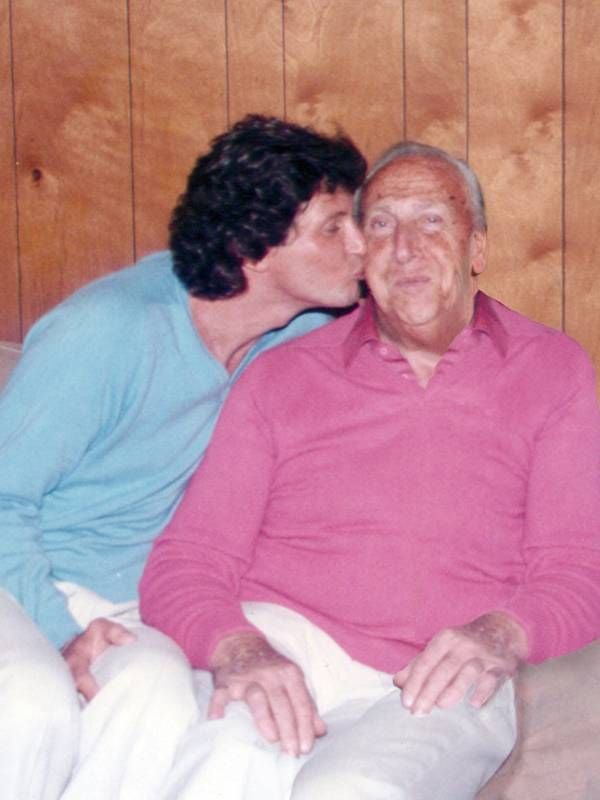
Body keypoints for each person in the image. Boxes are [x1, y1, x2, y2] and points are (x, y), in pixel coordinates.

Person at [140, 140, 600, 799]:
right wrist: (241, 649)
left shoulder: (553, 372)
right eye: (381, 223)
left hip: (443, 672)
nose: (404, 248)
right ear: (361, 253)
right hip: (286, 645)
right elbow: (186, 562)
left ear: (478, 249)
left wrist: (501, 633)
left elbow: (578, 573)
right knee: (219, 769)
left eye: (432, 221)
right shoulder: (283, 376)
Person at [0, 114, 367, 800]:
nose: (361, 247)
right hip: (21, 572)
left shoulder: (297, 332)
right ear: (254, 251)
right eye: (332, 229)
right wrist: (56, 629)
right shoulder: (107, 331)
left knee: (160, 694)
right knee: (33, 708)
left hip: (132, 594)